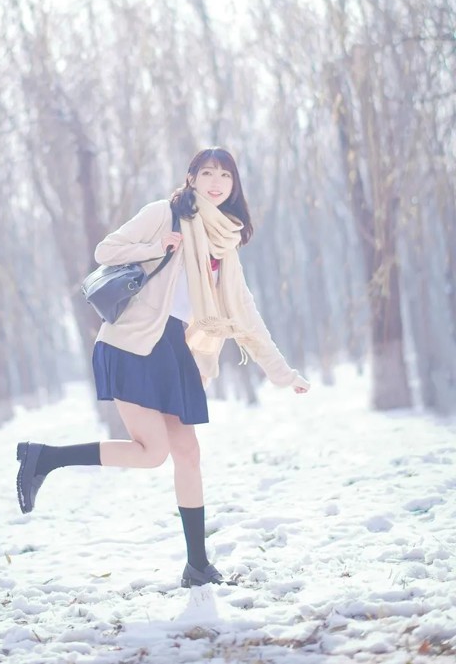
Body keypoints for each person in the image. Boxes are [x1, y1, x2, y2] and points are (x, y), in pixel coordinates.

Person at [16, 147, 310, 588]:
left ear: (234, 186)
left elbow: (245, 314)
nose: (216, 181)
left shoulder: (223, 243)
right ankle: (45, 459)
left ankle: (197, 566)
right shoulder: (164, 214)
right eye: (206, 172)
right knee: (152, 453)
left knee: (188, 454)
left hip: (174, 349)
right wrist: (156, 248)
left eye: (225, 175)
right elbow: (105, 249)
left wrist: (282, 372)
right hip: (132, 343)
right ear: (190, 178)